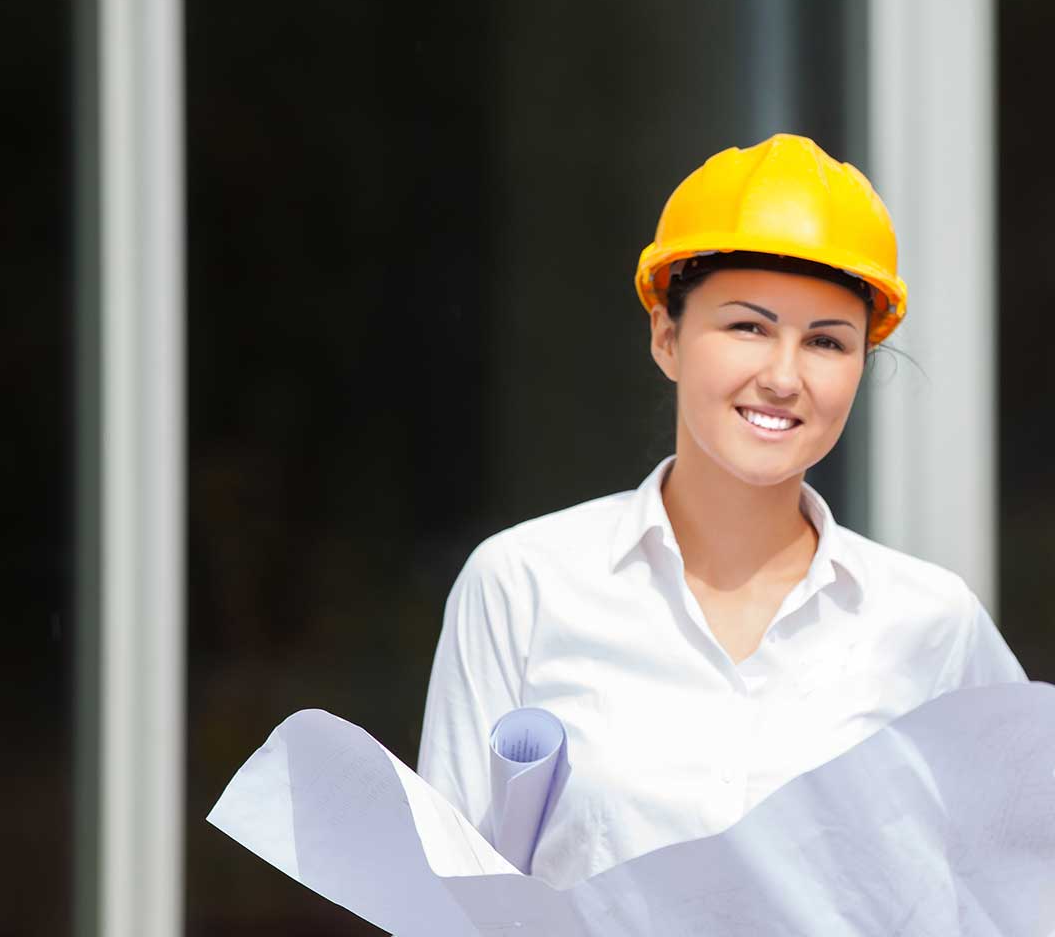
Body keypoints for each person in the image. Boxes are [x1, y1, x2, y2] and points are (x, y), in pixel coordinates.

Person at [418, 133, 1024, 888]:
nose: (783, 375)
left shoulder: (931, 623)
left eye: (828, 342)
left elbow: (1027, 882)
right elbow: (446, 900)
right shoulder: (525, 586)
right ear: (666, 337)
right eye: (748, 327)